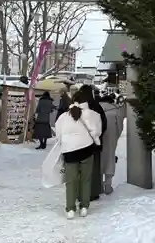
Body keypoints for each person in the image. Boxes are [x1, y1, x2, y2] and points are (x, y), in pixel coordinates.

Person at [55, 90, 102, 219]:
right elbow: (98, 131)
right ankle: (84, 207)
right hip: (86, 149)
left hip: (69, 151)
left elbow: (58, 134)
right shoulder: (93, 114)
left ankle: (70, 208)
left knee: (71, 181)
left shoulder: (64, 117)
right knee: (86, 179)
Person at [79, 84, 107, 201]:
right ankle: (94, 192)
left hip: (80, 143)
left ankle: (80, 193)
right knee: (94, 168)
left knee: (81, 169)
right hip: (95, 143)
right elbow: (104, 124)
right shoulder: (97, 106)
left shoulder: (78, 107)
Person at [101, 94, 125, 194]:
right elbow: (120, 127)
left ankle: (98, 185)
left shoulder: (96, 109)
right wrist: (115, 136)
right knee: (110, 159)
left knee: (99, 159)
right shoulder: (116, 111)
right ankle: (108, 185)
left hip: (98, 138)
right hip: (111, 138)